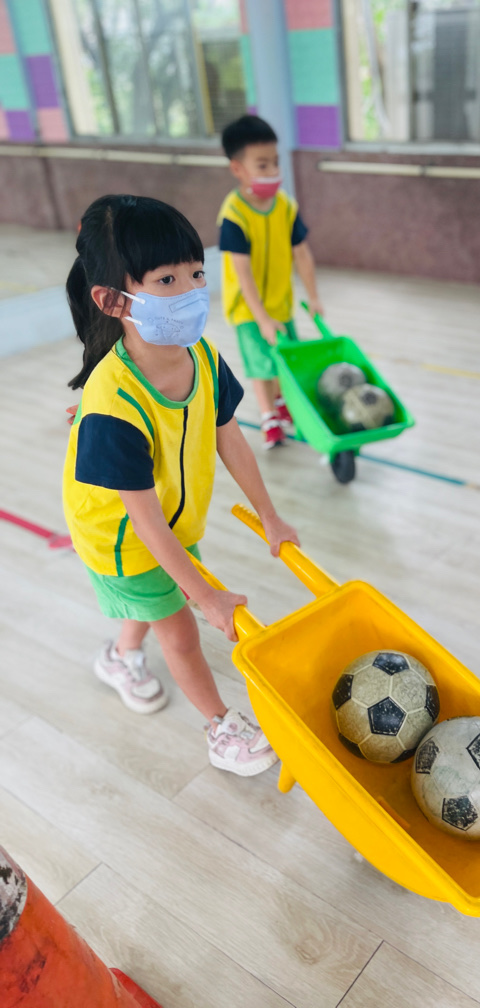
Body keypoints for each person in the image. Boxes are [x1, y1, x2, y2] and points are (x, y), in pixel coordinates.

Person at [63, 193, 298, 777]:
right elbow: (142, 522)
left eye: (196, 273)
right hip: (123, 538)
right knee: (182, 629)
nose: (191, 290)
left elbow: (230, 438)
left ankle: (119, 655)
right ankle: (221, 727)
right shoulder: (112, 402)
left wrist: (270, 515)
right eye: (167, 279)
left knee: (160, 599)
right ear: (112, 300)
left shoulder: (202, 355)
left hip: (171, 518)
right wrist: (205, 595)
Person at [218, 114, 323, 449]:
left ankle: (281, 401)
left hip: (281, 303)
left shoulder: (285, 207)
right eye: (262, 165)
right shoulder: (234, 215)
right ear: (238, 169)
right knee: (262, 363)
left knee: (284, 358)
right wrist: (261, 318)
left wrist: (314, 296)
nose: (273, 170)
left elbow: (302, 254)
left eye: (275, 162)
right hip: (247, 310)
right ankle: (269, 416)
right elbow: (243, 272)